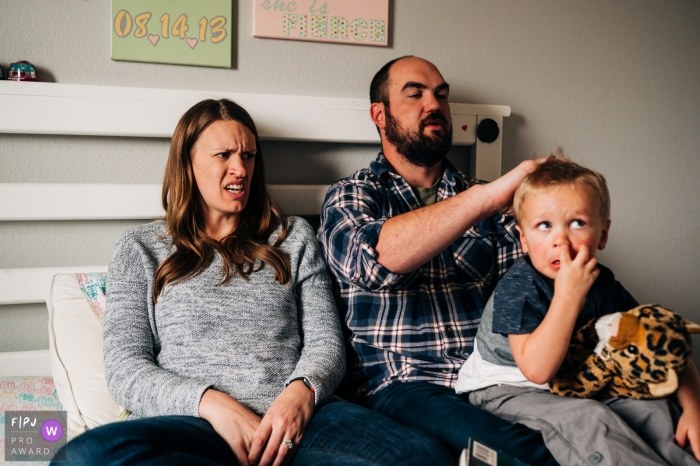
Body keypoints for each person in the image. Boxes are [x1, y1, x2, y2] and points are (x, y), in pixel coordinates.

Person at [51, 99, 454, 466]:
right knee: (84, 456)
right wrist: (212, 404)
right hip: (194, 425)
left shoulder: (292, 237)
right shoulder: (141, 248)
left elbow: (325, 343)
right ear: (187, 162)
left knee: (422, 456)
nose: (240, 169)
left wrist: (300, 395)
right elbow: (125, 369)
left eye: (248, 156)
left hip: (298, 424)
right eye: (223, 155)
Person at [318, 55, 557, 464]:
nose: (434, 105)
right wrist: (484, 200)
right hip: (402, 384)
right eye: (415, 94)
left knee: (578, 433)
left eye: (441, 95)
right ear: (380, 114)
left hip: (490, 378)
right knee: (518, 453)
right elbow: (375, 260)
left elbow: (529, 297)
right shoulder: (353, 195)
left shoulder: (493, 201)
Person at [456, 155, 700, 466]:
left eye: (577, 223)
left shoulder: (604, 284)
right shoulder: (518, 287)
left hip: (579, 381)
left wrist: (693, 409)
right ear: (524, 240)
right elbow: (538, 370)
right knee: (590, 420)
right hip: (508, 390)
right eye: (544, 225)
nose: (561, 239)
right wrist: (567, 297)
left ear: (603, 234)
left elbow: (661, 342)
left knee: (652, 409)